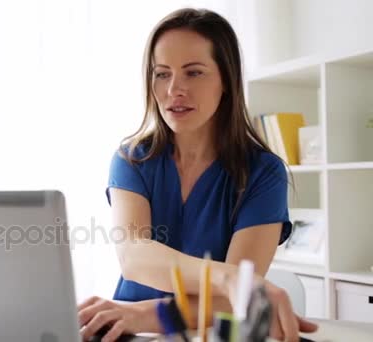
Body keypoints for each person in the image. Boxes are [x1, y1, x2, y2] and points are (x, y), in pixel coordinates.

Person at [77, 8, 318, 342]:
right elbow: (134, 255)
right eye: (162, 74)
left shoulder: (264, 172)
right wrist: (229, 279)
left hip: (202, 334)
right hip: (127, 334)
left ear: (227, 82)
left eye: (194, 72)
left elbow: (233, 304)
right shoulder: (132, 159)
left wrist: (143, 314)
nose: (174, 89)